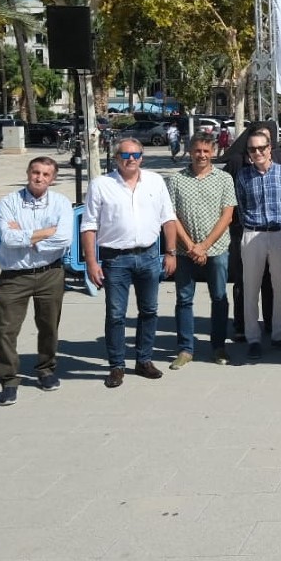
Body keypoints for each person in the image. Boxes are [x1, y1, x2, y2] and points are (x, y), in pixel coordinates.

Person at [81, 138, 178, 388]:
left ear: (142, 157)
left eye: (136, 154)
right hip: (115, 259)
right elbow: (89, 225)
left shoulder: (155, 181)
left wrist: (171, 253)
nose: (131, 159)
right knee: (115, 315)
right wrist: (91, 263)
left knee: (149, 311)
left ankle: (144, 360)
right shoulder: (101, 185)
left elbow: (168, 218)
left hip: (148, 256)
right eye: (125, 155)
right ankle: (116, 366)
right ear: (116, 158)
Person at [0, 157, 72, 406]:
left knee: (49, 325)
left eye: (46, 174)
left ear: (53, 178)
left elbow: (64, 239)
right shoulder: (8, 203)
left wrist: (27, 236)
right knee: (7, 330)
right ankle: (8, 380)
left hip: (51, 273)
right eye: (36, 172)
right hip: (15, 275)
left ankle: (46, 369)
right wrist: (46, 232)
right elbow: (8, 239)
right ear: (28, 173)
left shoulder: (60, 203)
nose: (39, 177)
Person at [167, 132, 237, 367]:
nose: (202, 155)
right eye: (197, 150)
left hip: (216, 249)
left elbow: (227, 215)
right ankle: (186, 349)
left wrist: (204, 246)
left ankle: (218, 347)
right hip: (185, 250)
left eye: (206, 151)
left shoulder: (224, 179)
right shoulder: (176, 180)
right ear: (190, 151)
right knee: (184, 299)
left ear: (214, 152)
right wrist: (190, 246)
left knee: (219, 297)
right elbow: (171, 216)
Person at [233, 127, 281, 359]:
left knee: (280, 288)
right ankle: (253, 338)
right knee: (250, 288)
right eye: (252, 149)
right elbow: (240, 208)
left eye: (262, 147)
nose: (257, 152)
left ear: (270, 148)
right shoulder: (242, 176)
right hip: (252, 234)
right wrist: (253, 225)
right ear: (248, 152)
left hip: (280, 234)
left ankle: (279, 334)